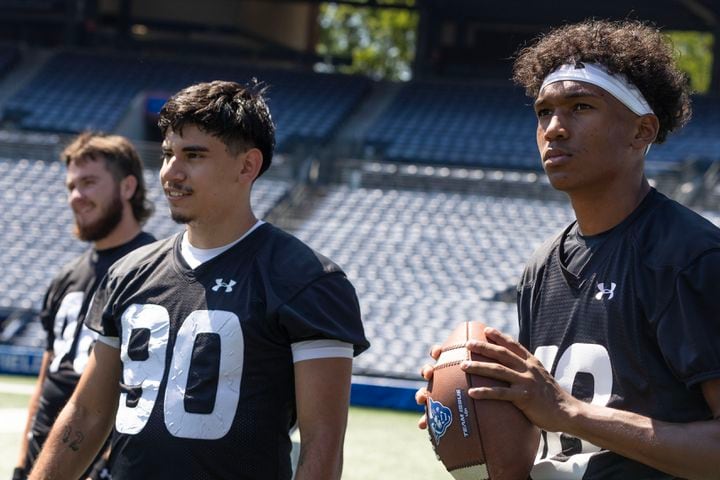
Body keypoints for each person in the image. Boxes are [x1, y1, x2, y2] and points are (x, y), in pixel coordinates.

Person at [417, 19, 720, 479]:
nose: (555, 129)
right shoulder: (542, 266)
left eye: (581, 107)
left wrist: (568, 411)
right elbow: (547, 430)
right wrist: (472, 407)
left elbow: (564, 412)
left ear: (641, 132)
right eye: (543, 112)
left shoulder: (690, 258)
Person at [29, 80, 370, 480]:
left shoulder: (307, 280)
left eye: (193, 155)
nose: (171, 173)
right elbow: (87, 413)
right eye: (168, 154)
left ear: (247, 165)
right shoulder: (129, 272)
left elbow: (322, 442)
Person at [14, 132, 156, 480]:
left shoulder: (156, 271)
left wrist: (104, 465)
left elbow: (148, 391)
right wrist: (22, 463)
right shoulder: (66, 276)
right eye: (71, 186)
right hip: (42, 463)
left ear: (127, 187)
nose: (76, 197)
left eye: (89, 183)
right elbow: (46, 380)